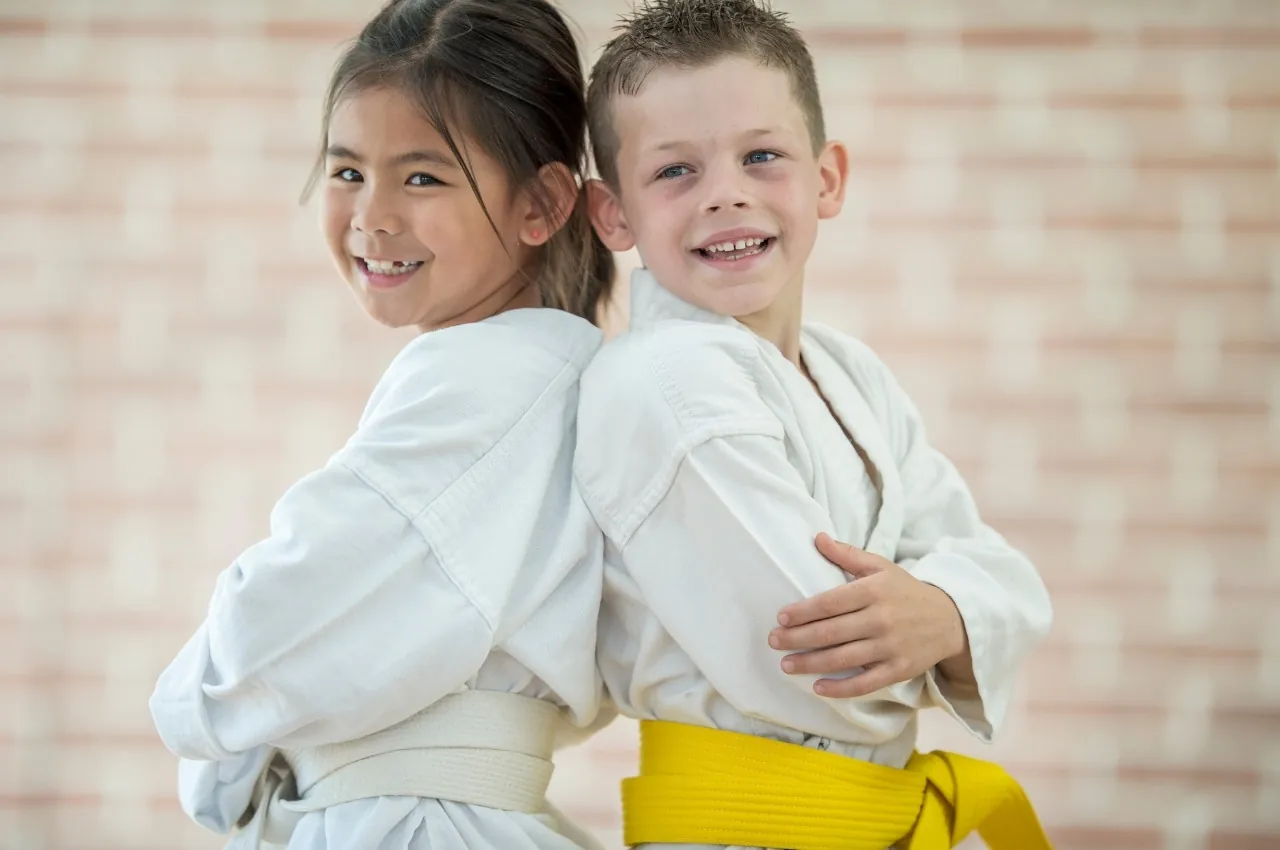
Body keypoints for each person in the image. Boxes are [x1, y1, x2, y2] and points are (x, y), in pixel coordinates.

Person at [572, 1, 1055, 847]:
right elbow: (831, 662)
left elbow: (1001, 572)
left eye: (762, 157)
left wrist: (942, 610)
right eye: (675, 171)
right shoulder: (662, 382)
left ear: (827, 178)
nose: (726, 194)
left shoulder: (850, 372)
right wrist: (950, 619)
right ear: (613, 214)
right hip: (749, 824)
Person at [149, 1, 617, 848]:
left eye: (424, 176)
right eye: (347, 171)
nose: (371, 215)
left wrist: (193, 705)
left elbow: (257, 647)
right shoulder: (560, 377)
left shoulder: (485, 381)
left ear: (543, 202)